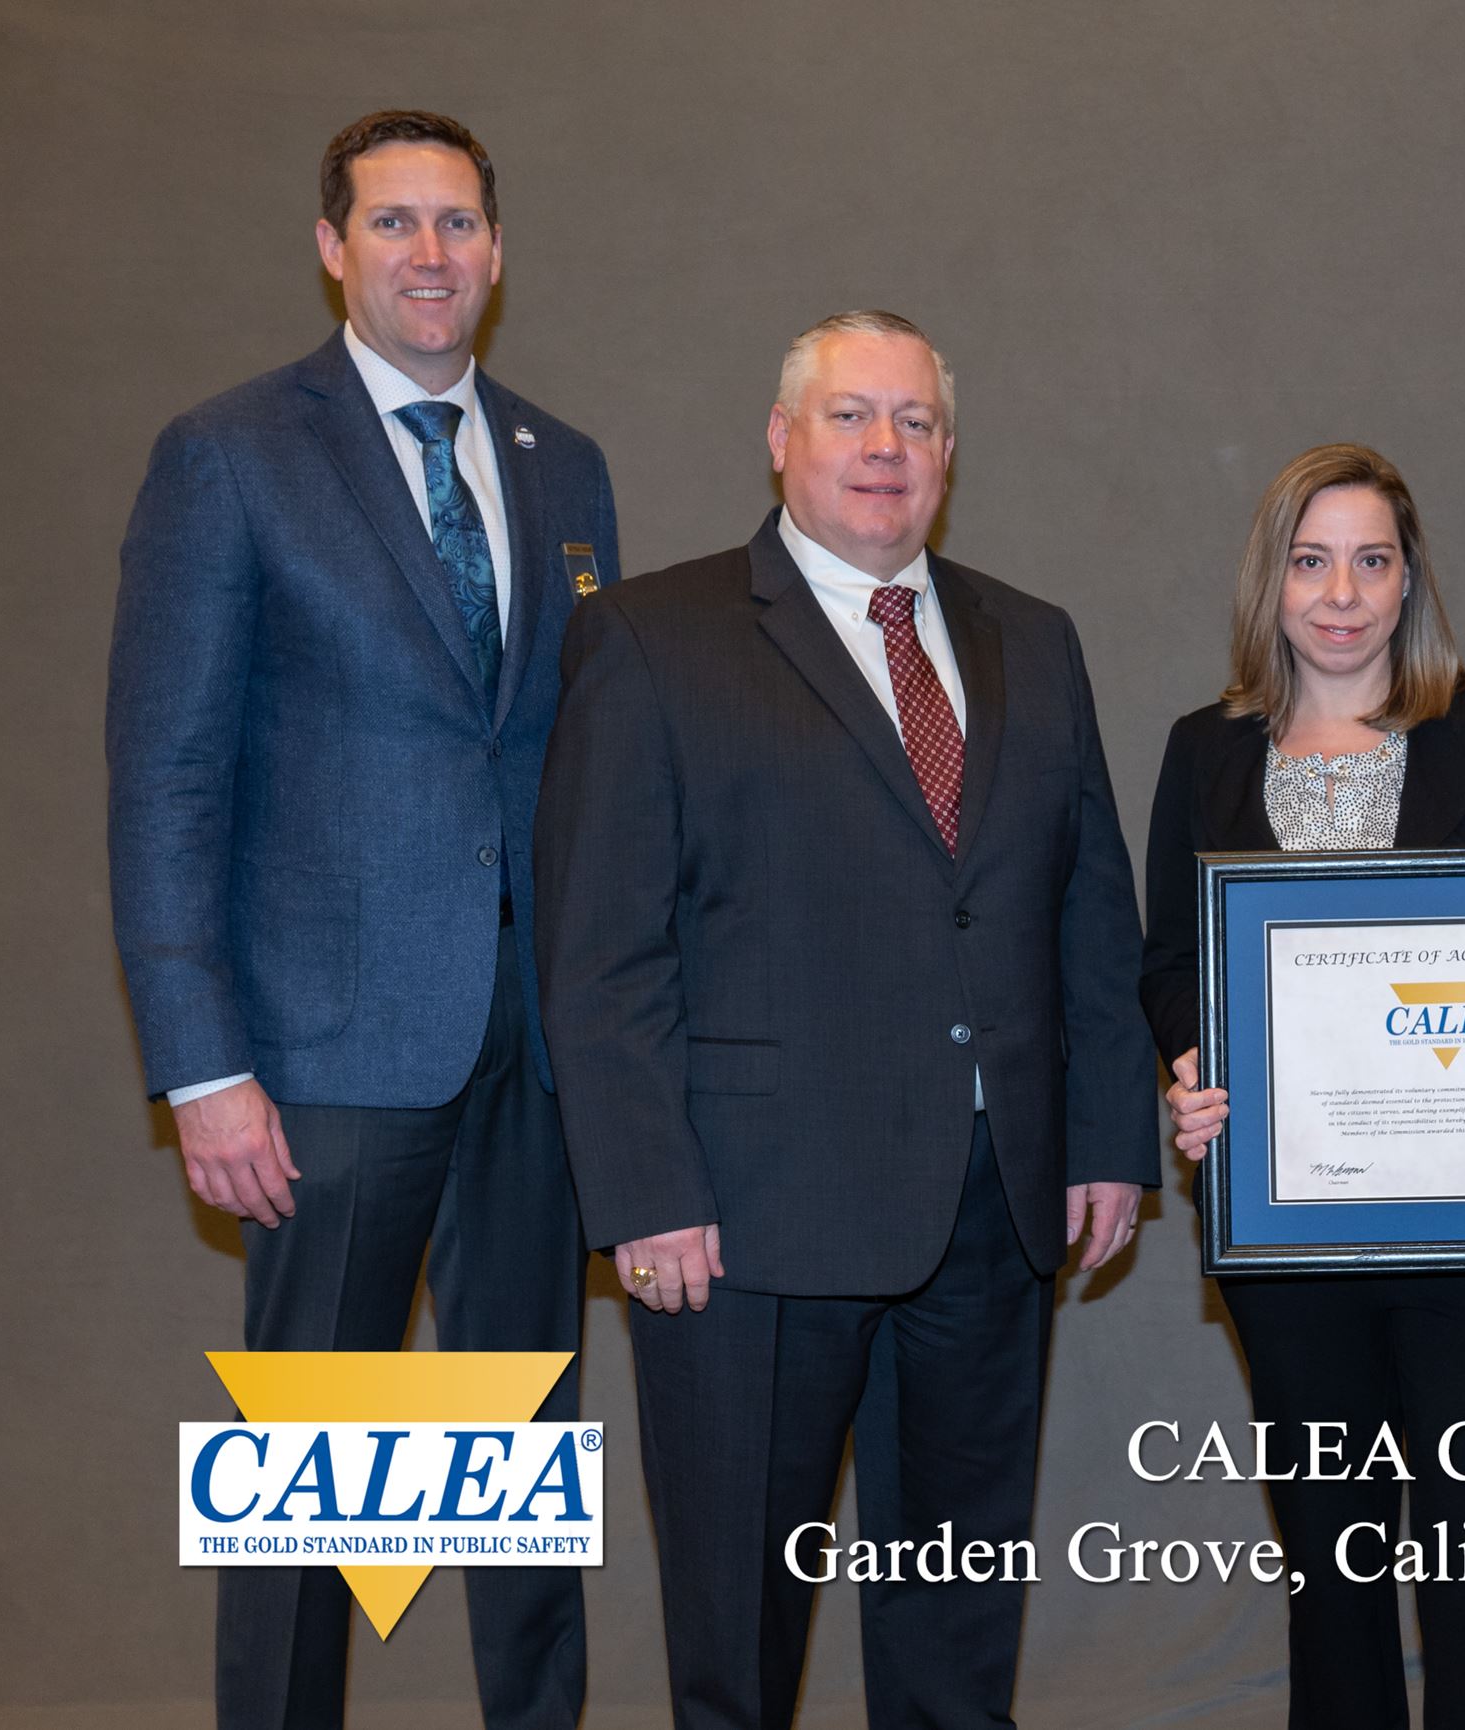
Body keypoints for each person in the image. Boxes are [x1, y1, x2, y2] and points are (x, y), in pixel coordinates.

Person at [533, 309, 1157, 1730]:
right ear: (780, 441)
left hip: (990, 1216)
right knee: (738, 1639)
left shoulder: (1033, 641)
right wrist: (645, 1189)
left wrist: (1107, 1137)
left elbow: (1086, 911)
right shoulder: (649, 635)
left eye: (916, 422)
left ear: (950, 451)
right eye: (850, 417)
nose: (886, 449)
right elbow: (600, 945)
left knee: (957, 1624)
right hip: (748, 1222)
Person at [107, 109, 614, 1729]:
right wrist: (201, 1068)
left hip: (524, 1063)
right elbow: (166, 775)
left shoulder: (564, 465)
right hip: (321, 1063)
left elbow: (574, 763)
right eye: (393, 223)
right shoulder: (232, 454)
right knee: (309, 1490)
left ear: (498, 249)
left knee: (520, 1475)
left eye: (458, 224)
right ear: (332, 247)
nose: (429, 255)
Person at [1140, 443, 1465, 1729]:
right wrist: (1188, 1062)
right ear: (1271, 582)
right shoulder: (1202, 749)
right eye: (1311, 560)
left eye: (1370, 560)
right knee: (1332, 1548)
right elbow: (1166, 956)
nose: (1340, 592)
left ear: (1407, 579)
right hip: (1285, 1218)